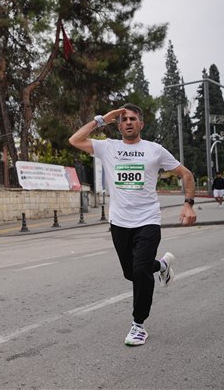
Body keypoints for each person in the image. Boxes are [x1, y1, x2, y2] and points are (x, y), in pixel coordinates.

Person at [69, 103, 197, 346]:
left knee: (139, 271)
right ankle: (161, 266)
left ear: (141, 124)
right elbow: (75, 140)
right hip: (119, 223)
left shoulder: (154, 150)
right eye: (124, 119)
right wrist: (101, 119)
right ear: (119, 125)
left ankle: (138, 325)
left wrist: (188, 204)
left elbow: (186, 174)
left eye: (133, 118)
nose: (128, 122)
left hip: (148, 220)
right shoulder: (108, 147)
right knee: (131, 272)